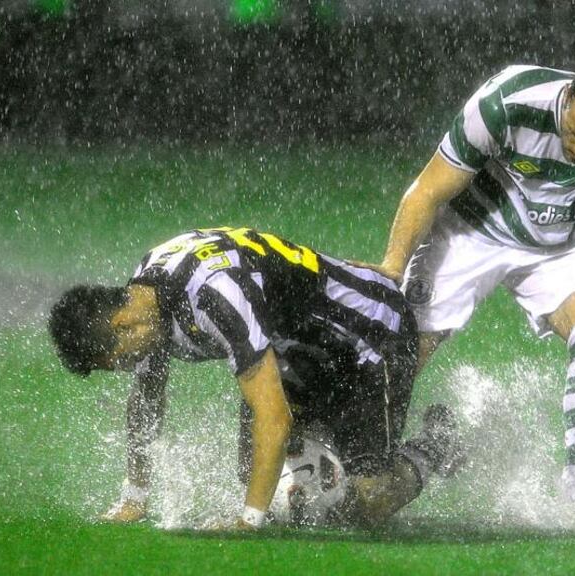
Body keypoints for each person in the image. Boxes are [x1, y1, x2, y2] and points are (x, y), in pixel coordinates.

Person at [373, 60, 575, 503]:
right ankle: (369, 455)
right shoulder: (507, 102)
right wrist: (393, 270)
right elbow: (428, 190)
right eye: (574, 132)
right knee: (400, 349)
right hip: (469, 232)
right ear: (568, 97)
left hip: (556, 244)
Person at [48, 226, 462, 528]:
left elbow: (274, 418)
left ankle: (434, 446)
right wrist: (134, 498)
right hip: (302, 347)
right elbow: (146, 404)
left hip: (370, 335)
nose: (126, 368)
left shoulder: (213, 295)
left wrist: (247, 522)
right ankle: (327, 451)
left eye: (118, 361)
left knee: (366, 503)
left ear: (123, 325)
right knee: (260, 477)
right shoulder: (145, 298)